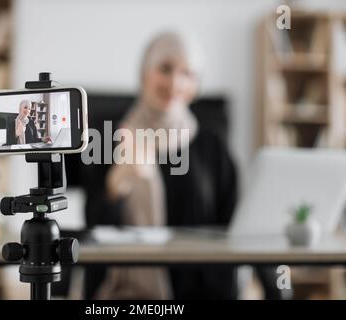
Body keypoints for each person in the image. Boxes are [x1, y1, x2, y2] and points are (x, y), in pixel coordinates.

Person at [85, 31, 284, 300]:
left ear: (196, 85)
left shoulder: (213, 146)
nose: (174, 82)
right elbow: (92, 233)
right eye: (165, 68)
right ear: (145, 74)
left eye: (187, 73)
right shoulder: (109, 137)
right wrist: (119, 179)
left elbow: (239, 227)